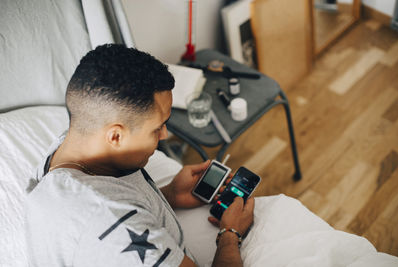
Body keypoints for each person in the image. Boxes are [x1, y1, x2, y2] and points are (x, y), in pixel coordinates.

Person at [26, 44, 254, 267]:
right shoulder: (111, 222)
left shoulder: (71, 144)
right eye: (157, 128)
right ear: (115, 136)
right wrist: (230, 234)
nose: (165, 135)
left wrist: (170, 195)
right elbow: (114, 219)